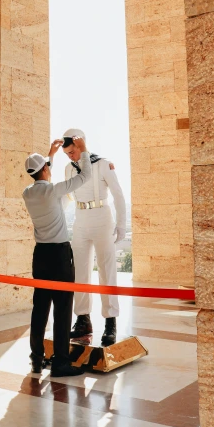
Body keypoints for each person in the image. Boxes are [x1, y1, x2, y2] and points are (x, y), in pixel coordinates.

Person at [22, 136, 92, 377]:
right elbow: (84, 177)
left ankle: (36, 359)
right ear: (44, 169)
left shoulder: (27, 193)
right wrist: (82, 151)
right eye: (47, 165)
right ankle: (61, 362)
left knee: (39, 308)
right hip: (60, 255)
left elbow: (42, 175)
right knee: (63, 309)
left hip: (40, 255)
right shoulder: (53, 190)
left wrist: (49, 154)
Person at [62, 128, 126, 347]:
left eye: (72, 151)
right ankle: (82, 320)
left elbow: (118, 194)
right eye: (67, 153)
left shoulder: (102, 163)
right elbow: (66, 197)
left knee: (107, 271)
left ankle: (110, 322)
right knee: (79, 271)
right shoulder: (68, 170)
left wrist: (121, 225)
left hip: (102, 218)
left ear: (80, 146)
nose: (70, 156)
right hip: (80, 220)